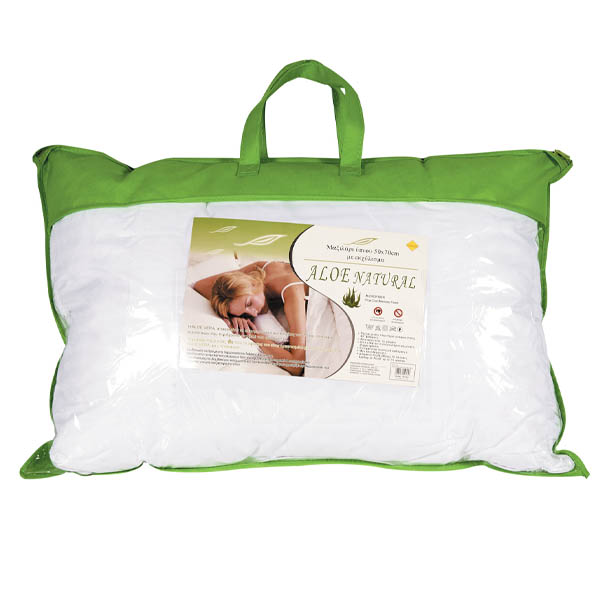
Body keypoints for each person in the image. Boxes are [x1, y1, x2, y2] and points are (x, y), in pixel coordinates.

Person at [193, 261, 309, 376]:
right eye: (244, 313)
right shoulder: (251, 276)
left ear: (253, 284)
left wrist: (254, 335)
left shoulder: (292, 291)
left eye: (249, 304)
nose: (253, 314)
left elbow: (296, 365)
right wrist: (231, 317)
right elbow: (199, 286)